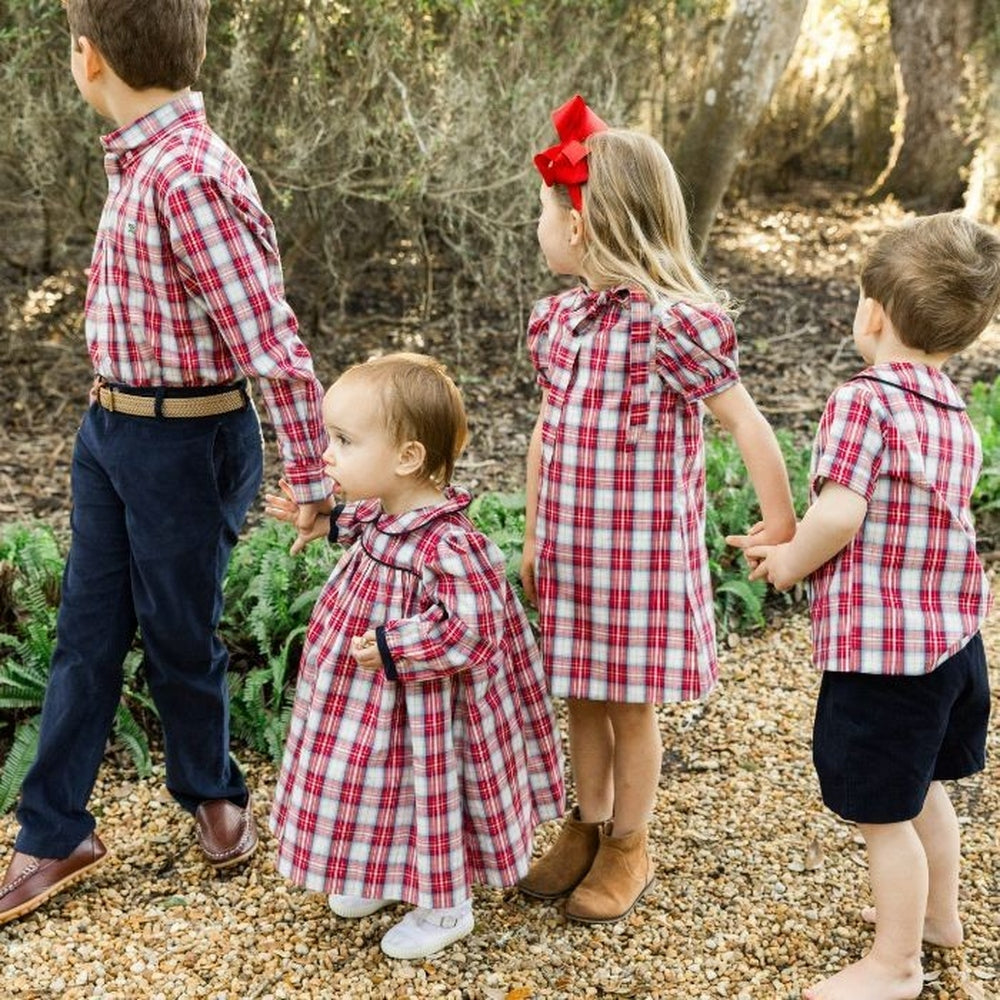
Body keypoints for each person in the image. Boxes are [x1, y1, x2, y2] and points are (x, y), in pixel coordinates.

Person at [0, 0, 330, 925]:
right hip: (111, 431)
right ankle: (52, 828)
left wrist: (310, 474)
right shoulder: (141, 158)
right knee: (87, 631)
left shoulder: (187, 175)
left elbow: (270, 342)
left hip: (188, 439)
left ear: (86, 57)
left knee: (181, 630)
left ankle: (211, 788)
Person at [517, 96, 796, 924]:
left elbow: (745, 421)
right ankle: (589, 822)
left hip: (637, 561)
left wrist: (782, 524)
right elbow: (543, 433)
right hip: (571, 550)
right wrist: (534, 536)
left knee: (629, 705)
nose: (539, 227)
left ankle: (630, 843)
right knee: (580, 694)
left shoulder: (674, 326)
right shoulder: (559, 323)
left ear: (582, 224)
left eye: (545, 211)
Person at [734, 212, 999, 1000]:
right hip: (953, 646)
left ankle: (895, 965)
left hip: (885, 658)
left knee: (883, 813)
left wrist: (785, 560)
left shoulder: (864, 402)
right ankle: (938, 918)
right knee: (926, 792)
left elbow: (843, 514)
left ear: (873, 311)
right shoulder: (955, 414)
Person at [264, 352, 565, 961]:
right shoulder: (388, 511)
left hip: (430, 709)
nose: (327, 453)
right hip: (369, 699)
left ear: (407, 458)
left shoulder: (454, 543)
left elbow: (473, 632)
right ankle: (383, 873)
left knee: (428, 789)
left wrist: (394, 644)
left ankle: (446, 902)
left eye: (344, 441)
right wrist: (328, 523)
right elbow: (369, 528)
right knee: (373, 782)